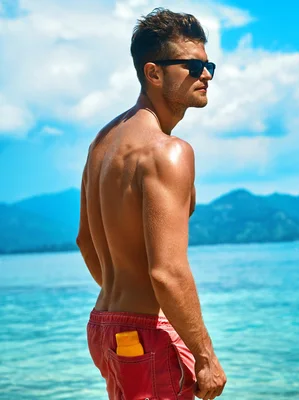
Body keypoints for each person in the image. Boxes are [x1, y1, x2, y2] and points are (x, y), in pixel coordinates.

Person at [76, 8, 226, 400]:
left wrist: (123, 303)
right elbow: (167, 271)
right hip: (142, 335)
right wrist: (205, 355)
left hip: (106, 326)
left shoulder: (102, 144)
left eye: (207, 64)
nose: (205, 74)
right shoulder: (168, 152)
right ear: (153, 72)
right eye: (191, 66)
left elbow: (86, 242)